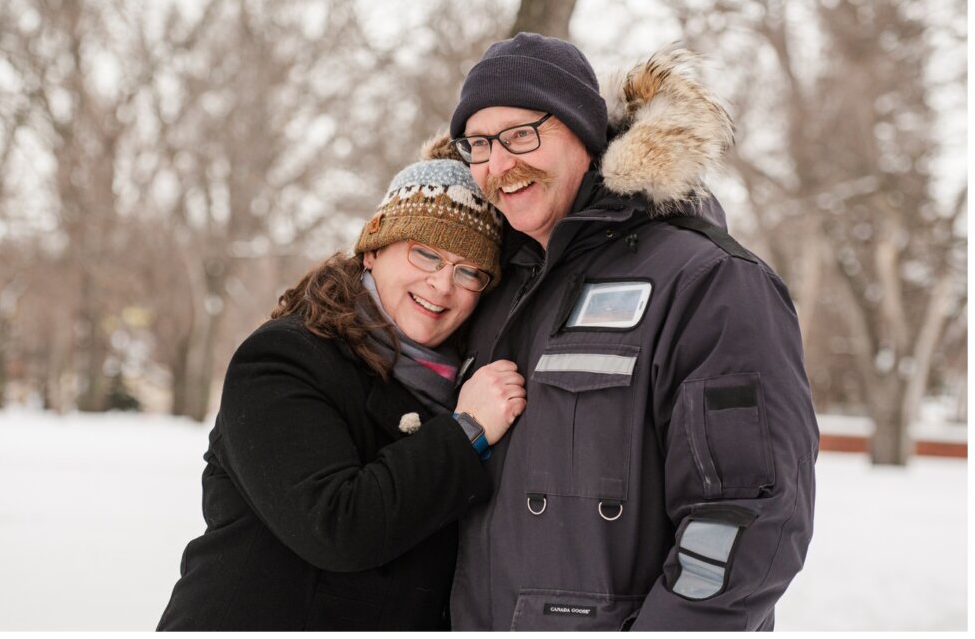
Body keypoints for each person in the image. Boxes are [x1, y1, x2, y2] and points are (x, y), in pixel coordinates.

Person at [441, 33, 819, 631]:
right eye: (480, 144)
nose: (500, 164)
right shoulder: (491, 289)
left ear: (584, 135)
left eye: (521, 135)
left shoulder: (708, 282)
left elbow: (747, 517)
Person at [157, 155, 525, 631]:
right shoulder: (283, 360)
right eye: (426, 254)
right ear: (373, 249)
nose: (442, 284)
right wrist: (467, 431)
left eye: (469, 271)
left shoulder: (454, 383)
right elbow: (337, 526)